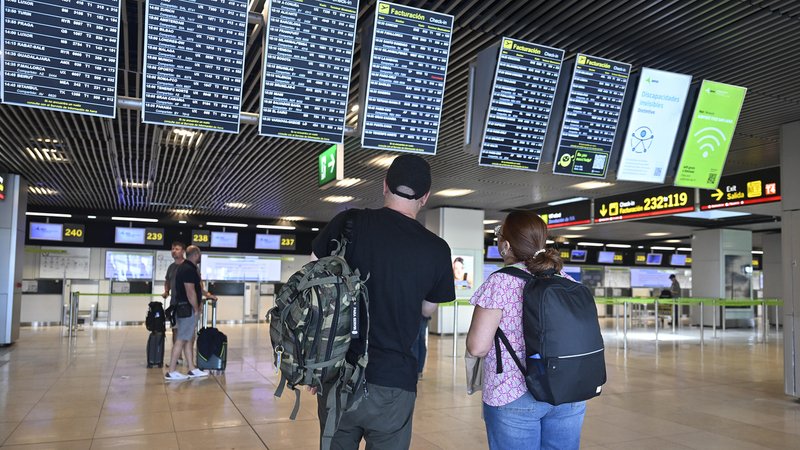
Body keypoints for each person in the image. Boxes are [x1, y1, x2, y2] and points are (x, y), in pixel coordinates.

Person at [311, 154, 456, 449]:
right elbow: (427, 309)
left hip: (338, 372)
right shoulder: (437, 249)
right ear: (425, 197)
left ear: (385, 185)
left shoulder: (348, 223)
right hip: (393, 381)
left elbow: (311, 280)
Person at [466, 211, 586, 450]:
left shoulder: (500, 282)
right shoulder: (567, 281)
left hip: (513, 395)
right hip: (568, 390)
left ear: (506, 245)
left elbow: (477, 347)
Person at [164, 245, 209, 381]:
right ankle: (171, 371)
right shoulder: (188, 269)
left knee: (188, 339)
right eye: (199, 254)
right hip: (187, 310)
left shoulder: (185, 268)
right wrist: (195, 308)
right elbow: (190, 291)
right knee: (181, 339)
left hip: (183, 308)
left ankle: (192, 368)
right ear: (195, 255)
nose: (200, 257)